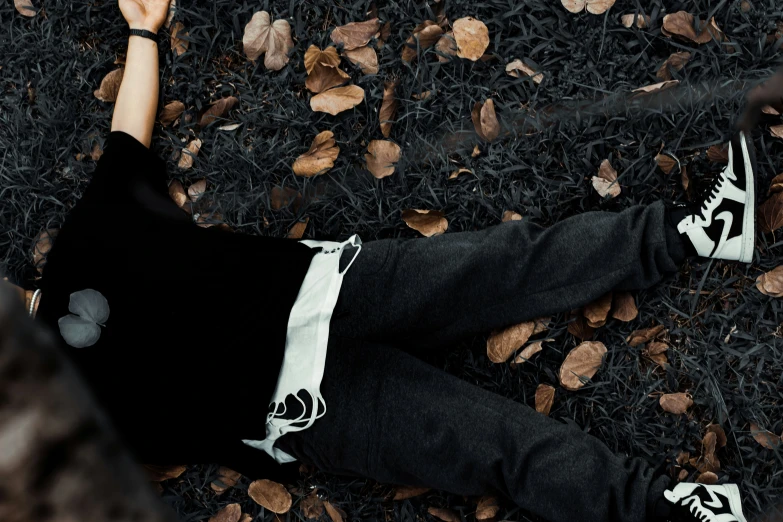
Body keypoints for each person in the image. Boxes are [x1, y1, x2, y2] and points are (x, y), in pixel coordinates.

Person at [12, 1, 760, 521]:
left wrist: (144, 33)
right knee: (494, 447)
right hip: (312, 404)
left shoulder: (89, 233)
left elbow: (125, 138)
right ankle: (662, 512)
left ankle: (700, 231)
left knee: (508, 262)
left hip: (333, 289)